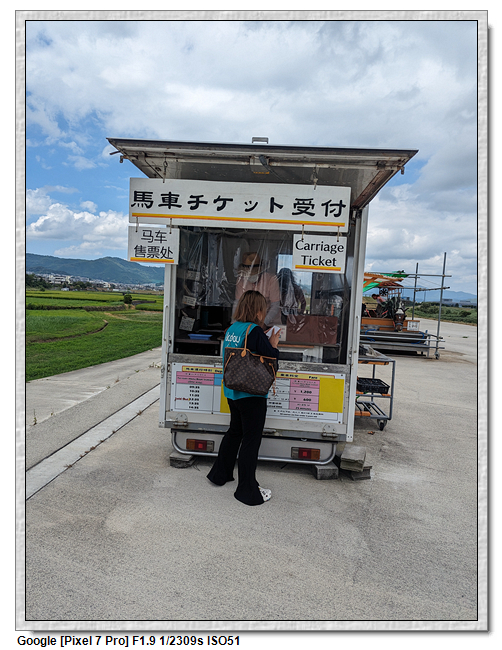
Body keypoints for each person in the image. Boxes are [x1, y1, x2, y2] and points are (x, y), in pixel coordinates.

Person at [207, 290, 280, 505]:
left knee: (235, 432)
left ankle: (220, 474)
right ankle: (247, 491)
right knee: (251, 440)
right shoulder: (254, 331)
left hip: (232, 390)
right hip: (251, 393)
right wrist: (274, 343)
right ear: (257, 311)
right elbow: (271, 358)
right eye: (263, 309)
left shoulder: (232, 328)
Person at [234, 252, 281, 326]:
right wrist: (234, 323)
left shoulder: (271, 279)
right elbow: (237, 303)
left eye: (253, 273)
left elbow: (275, 305)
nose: (250, 275)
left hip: (270, 323)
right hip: (247, 324)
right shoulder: (241, 280)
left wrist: (264, 323)